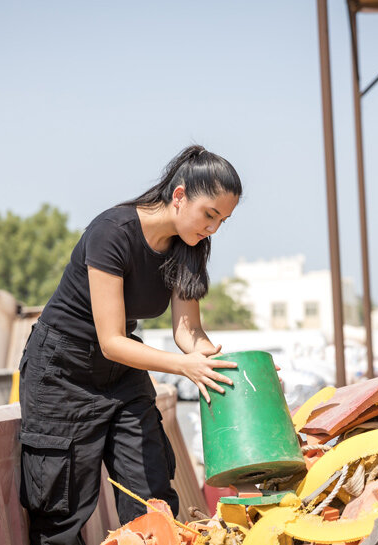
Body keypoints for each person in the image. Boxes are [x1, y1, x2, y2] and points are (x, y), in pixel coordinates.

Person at [18, 145, 242, 545]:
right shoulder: (111, 232)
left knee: (152, 493)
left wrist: (232, 368)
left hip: (120, 375)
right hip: (61, 372)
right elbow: (112, 341)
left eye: (223, 220)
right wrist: (183, 367)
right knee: (60, 512)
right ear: (179, 195)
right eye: (210, 214)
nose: (213, 229)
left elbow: (188, 333)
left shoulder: (189, 248)